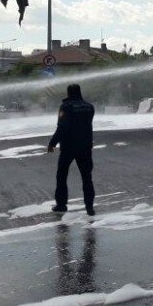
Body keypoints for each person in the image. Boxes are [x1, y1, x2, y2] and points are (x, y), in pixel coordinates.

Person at [47, 83, 96, 215]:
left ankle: (61, 205)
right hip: (85, 147)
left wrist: (52, 143)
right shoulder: (89, 107)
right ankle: (90, 208)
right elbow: (88, 126)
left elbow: (62, 127)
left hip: (68, 147)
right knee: (87, 177)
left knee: (62, 176)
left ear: (69, 93)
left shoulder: (66, 107)